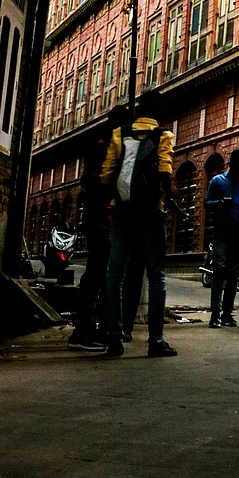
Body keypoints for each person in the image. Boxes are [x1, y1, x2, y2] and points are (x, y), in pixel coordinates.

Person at [100, 89, 177, 357]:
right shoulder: (164, 135)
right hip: (151, 213)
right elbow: (164, 171)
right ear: (158, 112)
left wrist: (113, 203)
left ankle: (113, 338)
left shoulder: (119, 134)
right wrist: (171, 199)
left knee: (114, 274)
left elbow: (107, 174)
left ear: (138, 109)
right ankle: (156, 341)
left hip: (122, 211)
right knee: (156, 275)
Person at [69, 105, 131, 351]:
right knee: (96, 274)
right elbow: (91, 182)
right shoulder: (102, 148)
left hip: (105, 216)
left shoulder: (108, 147)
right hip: (100, 217)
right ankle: (83, 331)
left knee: (104, 275)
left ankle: (101, 328)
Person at [204, 148, 239, 328]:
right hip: (221, 233)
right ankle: (215, 314)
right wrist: (220, 202)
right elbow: (207, 203)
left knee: (233, 274)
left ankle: (227, 314)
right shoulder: (218, 181)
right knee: (219, 271)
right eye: (237, 166)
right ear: (231, 164)